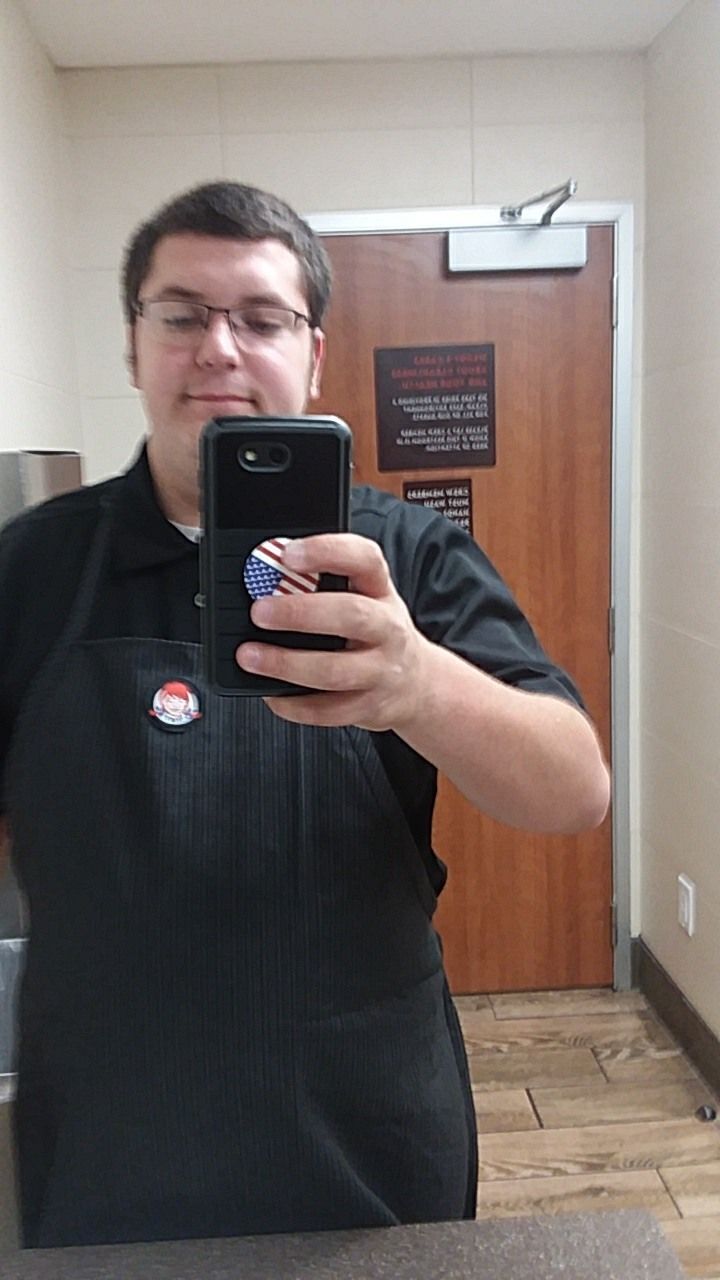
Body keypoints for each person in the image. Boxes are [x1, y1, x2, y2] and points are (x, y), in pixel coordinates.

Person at [0, 181, 610, 1249]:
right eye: (181, 315)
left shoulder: (407, 556)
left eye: (261, 318)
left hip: (364, 1134)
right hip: (108, 1139)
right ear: (134, 345)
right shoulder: (35, 562)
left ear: (313, 353)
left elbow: (574, 790)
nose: (219, 348)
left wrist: (418, 683)